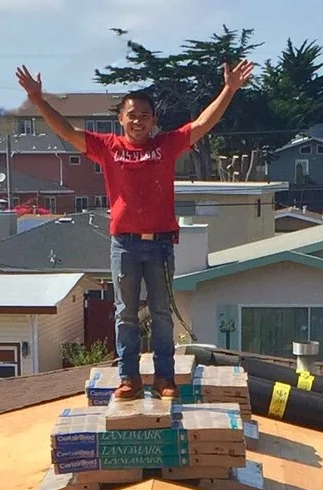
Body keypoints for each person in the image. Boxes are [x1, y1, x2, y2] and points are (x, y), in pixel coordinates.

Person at [14, 60, 253, 400]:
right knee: (125, 314)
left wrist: (229, 89)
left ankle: (164, 379)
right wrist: (38, 99)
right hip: (124, 244)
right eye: (131, 115)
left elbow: (202, 123)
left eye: (144, 115)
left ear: (153, 120)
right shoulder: (108, 147)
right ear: (120, 119)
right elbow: (67, 132)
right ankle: (129, 379)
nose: (137, 121)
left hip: (160, 245)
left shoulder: (167, 145)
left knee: (161, 315)